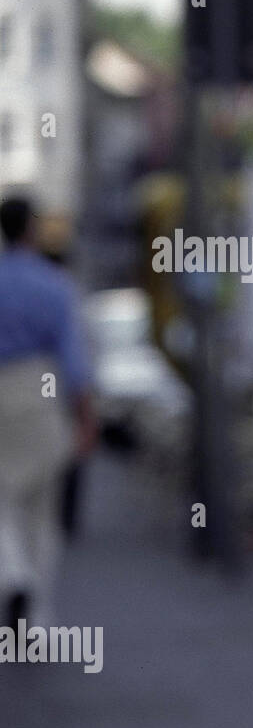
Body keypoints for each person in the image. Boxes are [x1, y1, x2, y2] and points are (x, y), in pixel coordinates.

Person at [0, 195, 98, 630]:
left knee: (3, 498)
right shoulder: (54, 284)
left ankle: (12, 572)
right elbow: (74, 363)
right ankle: (37, 617)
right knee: (43, 511)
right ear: (32, 229)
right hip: (40, 393)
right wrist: (86, 418)